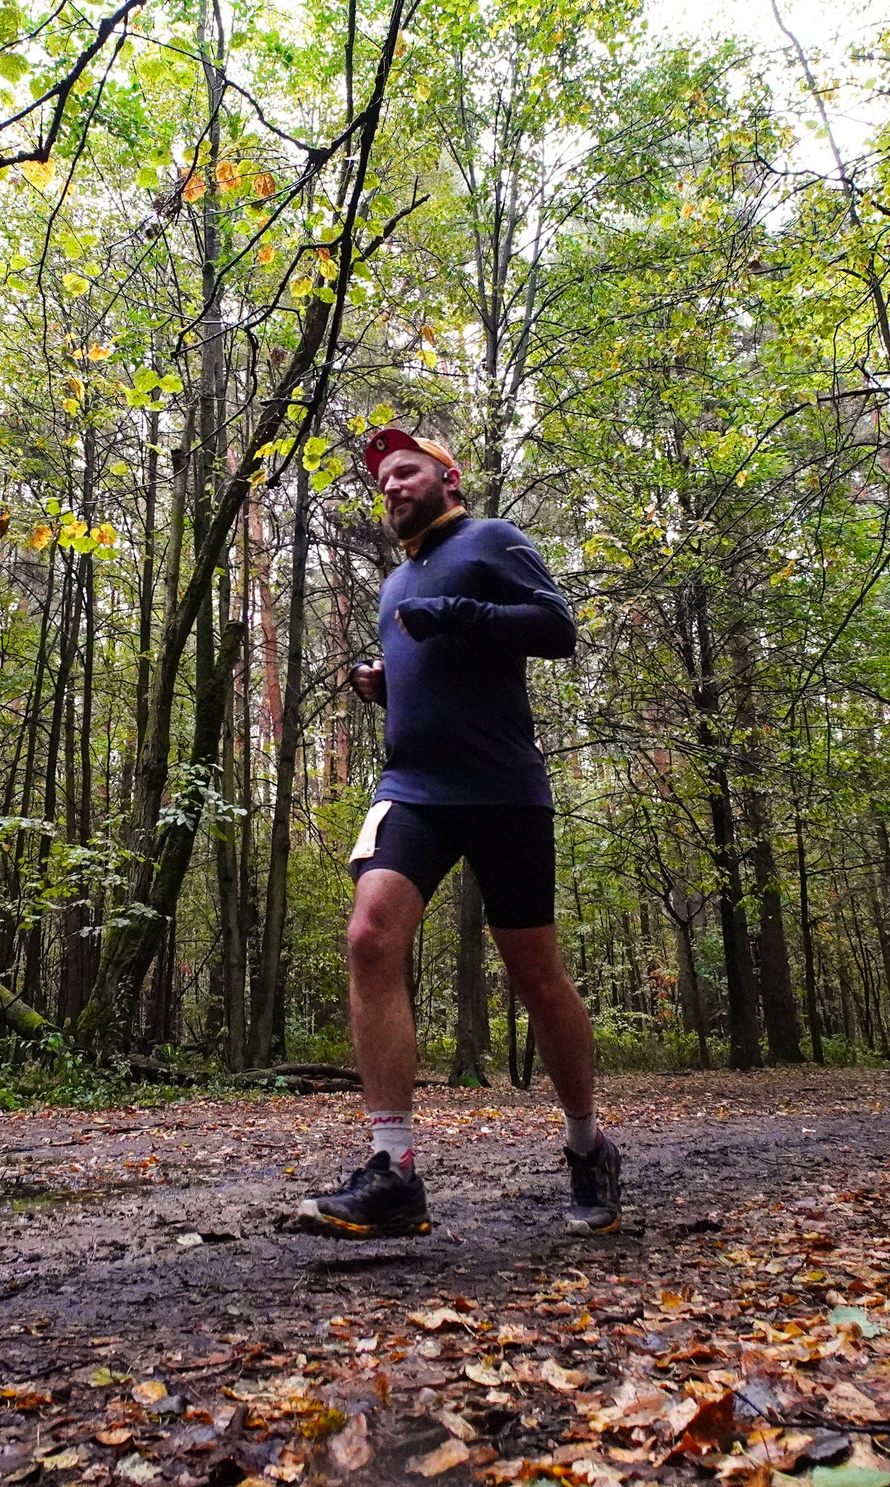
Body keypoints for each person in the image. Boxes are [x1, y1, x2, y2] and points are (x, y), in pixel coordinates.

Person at [294, 428, 620, 1239]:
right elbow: (430, 670)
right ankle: (394, 1171)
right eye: (383, 481)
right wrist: (382, 683)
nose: (392, 486)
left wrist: (459, 614)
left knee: (535, 974)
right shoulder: (395, 580)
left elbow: (556, 628)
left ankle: (588, 1145)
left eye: (406, 471)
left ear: (448, 476)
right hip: (414, 788)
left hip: (504, 787)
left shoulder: (491, 540)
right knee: (370, 935)